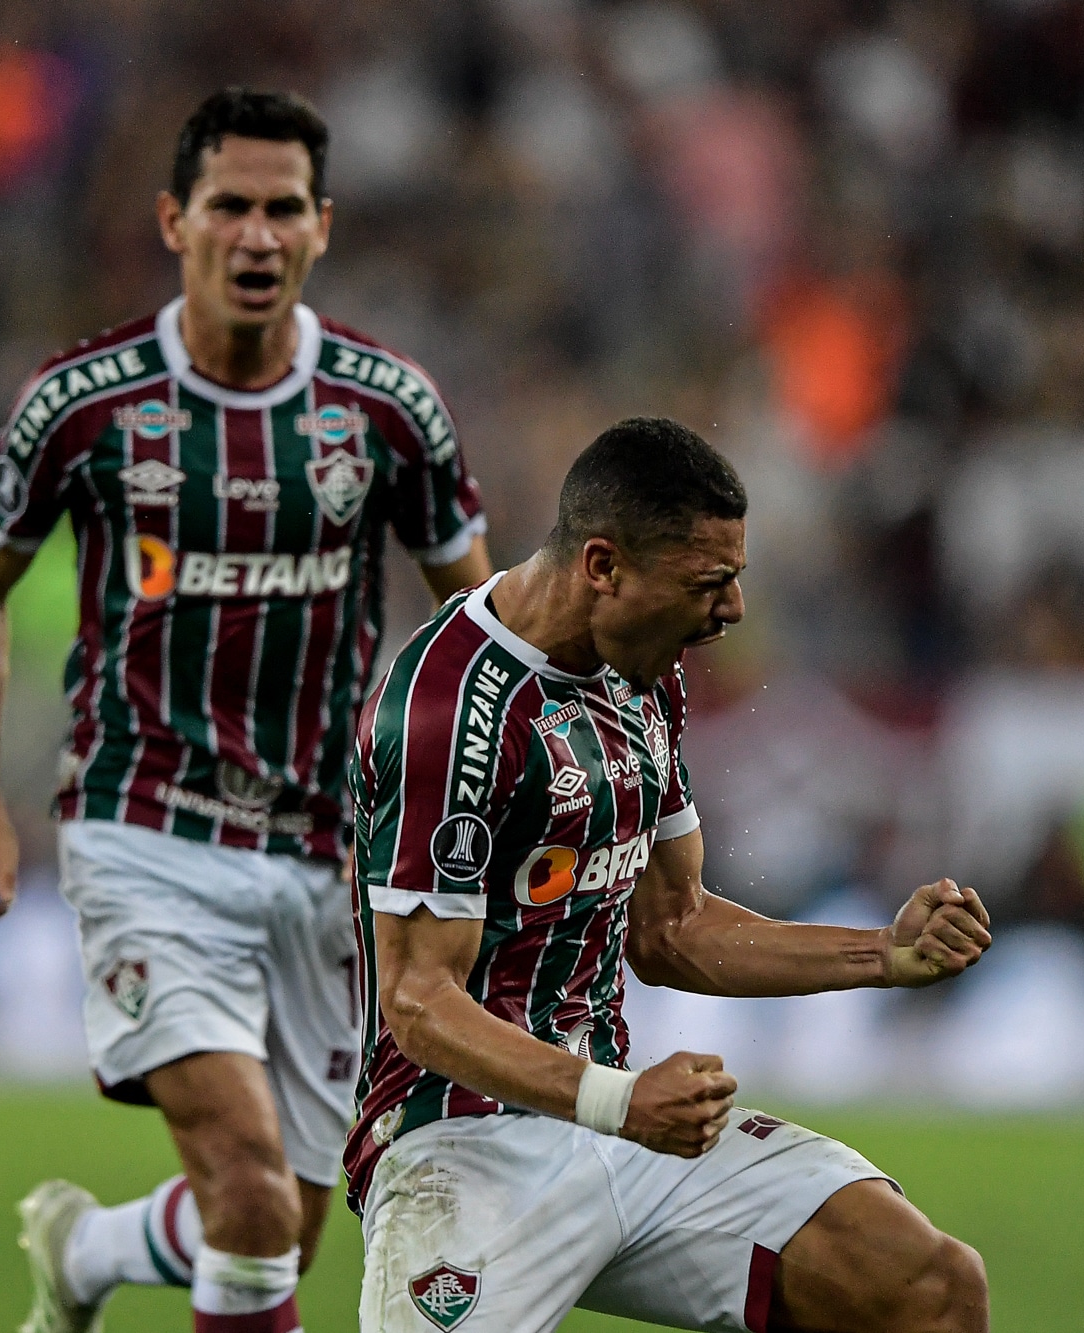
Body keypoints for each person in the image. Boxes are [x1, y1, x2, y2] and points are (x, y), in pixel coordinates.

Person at [0, 88, 492, 1333]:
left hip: (324, 850)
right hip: (143, 826)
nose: (256, 234)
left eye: (281, 208)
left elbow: (484, 623)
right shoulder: (84, 401)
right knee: (243, 1186)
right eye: (228, 206)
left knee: (284, 1223)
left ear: (322, 226)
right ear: (173, 220)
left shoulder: (386, 408)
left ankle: (88, 1250)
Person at [346, 417, 992, 1333]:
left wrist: (883, 952)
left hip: (620, 1121)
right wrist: (621, 1099)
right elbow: (417, 1000)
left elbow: (670, 925)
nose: (730, 610)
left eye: (735, 578)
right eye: (708, 582)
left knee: (928, 1287)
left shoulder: (639, 669)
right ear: (602, 565)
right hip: (460, 1142)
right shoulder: (448, 712)